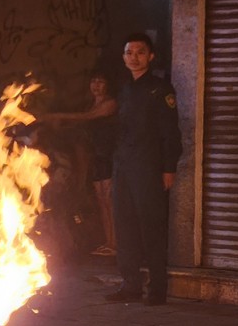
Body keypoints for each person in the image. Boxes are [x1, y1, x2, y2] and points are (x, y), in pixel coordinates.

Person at [105, 33, 183, 306]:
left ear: (150, 56)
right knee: (124, 226)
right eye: (129, 52)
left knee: (151, 226)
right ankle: (131, 285)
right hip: (124, 166)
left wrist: (168, 167)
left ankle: (158, 289)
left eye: (139, 52)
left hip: (149, 167)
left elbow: (170, 132)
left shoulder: (161, 89)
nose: (133, 57)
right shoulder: (124, 89)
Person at [41, 70, 119, 255]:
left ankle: (116, 243)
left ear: (108, 84)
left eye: (100, 81)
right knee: (101, 201)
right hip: (96, 158)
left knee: (110, 201)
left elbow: (86, 118)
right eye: (93, 81)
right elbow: (80, 125)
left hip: (109, 156)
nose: (96, 85)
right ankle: (109, 242)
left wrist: (58, 116)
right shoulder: (89, 105)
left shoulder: (111, 103)